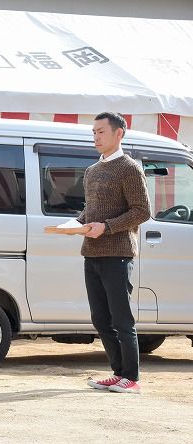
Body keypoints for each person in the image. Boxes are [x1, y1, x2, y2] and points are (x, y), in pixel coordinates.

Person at [82, 112, 151, 394]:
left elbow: (142, 211)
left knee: (122, 318)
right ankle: (118, 372)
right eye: (94, 132)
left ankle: (131, 378)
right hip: (91, 253)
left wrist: (107, 227)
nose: (96, 137)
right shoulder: (91, 170)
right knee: (100, 318)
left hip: (119, 253)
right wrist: (73, 225)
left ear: (119, 133)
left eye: (101, 131)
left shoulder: (129, 168)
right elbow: (91, 211)